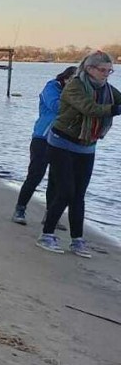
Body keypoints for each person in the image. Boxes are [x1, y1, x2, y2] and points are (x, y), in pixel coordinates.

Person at [36, 52, 121, 257]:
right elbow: (90, 109)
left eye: (109, 70)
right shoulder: (74, 86)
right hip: (61, 143)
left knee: (79, 196)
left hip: (87, 146)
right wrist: (116, 109)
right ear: (89, 68)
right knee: (65, 191)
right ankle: (46, 234)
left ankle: (77, 240)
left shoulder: (108, 89)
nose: (106, 74)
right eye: (102, 70)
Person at [13, 66, 78, 224]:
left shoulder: (75, 94)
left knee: (56, 179)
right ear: (66, 78)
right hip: (42, 137)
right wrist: (77, 101)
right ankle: (20, 209)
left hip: (62, 139)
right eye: (74, 80)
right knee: (35, 175)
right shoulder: (52, 87)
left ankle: (51, 214)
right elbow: (56, 106)